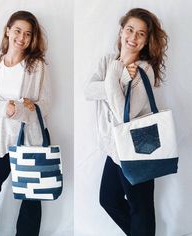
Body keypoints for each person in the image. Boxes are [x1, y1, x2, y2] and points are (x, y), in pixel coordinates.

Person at [84, 8, 168, 236]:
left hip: (137, 147)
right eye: (130, 30)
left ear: (146, 40)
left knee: (141, 209)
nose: (133, 37)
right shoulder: (107, 61)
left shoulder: (144, 70)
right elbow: (88, 91)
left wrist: (113, 77)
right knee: (108, 200)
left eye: (141, 34)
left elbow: (126, 115)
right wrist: (119, 77)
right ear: (121, 31)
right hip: (114, 148)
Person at [0, 10, 50, 236]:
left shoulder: (36, 66)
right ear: (8, 31)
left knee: (31, 194)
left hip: (30, 141)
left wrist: (20, 109)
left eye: (28, 34)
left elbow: (45, 105)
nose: (22, 37)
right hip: (2, 141)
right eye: (18, 30)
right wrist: (6, 108)